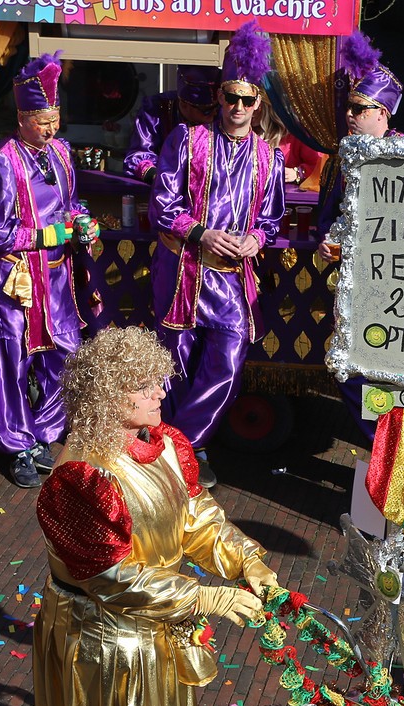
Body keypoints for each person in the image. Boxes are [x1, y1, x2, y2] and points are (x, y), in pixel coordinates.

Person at [32, 324, 279, 706]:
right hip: (104, 634)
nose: (160, 392)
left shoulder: (165, 443)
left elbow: (196, 518)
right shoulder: (81, 478)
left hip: (152, 621)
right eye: (143, 386)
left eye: (157, 381)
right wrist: (204, 595)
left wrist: (246, 560)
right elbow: (110, 578)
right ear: (109, 397)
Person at [152, 20, 285, 490]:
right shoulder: (187, 140)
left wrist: (257, 240)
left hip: (231, 279)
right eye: (231, 97)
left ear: (259, 103)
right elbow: (163, 206)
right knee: (176, 365)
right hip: (183, 272)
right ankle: (190, 452)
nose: (238, 108)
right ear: (220, 97)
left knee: (228, 362)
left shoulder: (270, 158)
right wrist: (201, 233)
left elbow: (270, 219)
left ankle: (178, 446)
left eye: (247, 100)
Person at [0, 53, 96, 490]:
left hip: (57, 278)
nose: (51, 130)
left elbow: (70, 204)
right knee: (12, 362)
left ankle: (41, 432)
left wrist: (82, 221)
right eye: (43, 122)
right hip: (17, 281)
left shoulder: (61, 152)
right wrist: (47, 235)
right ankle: (16, 445)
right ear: (22, 118)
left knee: (69, 357)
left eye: (55, 120)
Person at [316, 30, 403, 439]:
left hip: (397, 287)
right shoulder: (339, 160)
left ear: (383, 113)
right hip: (352, 286)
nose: (349, 115)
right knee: (348, 368)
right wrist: (327, 240)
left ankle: (393, 447)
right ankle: (382, 441)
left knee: (390, 370)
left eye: (359, 108)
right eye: (348, 107)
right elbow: (326, 217)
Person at [122, 65, 221, 187]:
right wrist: (159, 177)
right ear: (184, 105)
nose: (214, 113)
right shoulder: (156, 109)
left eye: (217, 107)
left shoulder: (223, 113)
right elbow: (137, 157)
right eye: (207, 110)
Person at [255, 101, 324, 187]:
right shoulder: (245, 132)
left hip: (286, 192)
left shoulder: (297, 133)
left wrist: (298, 173)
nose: (243, 108)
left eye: (249, 101)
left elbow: (319, 165)